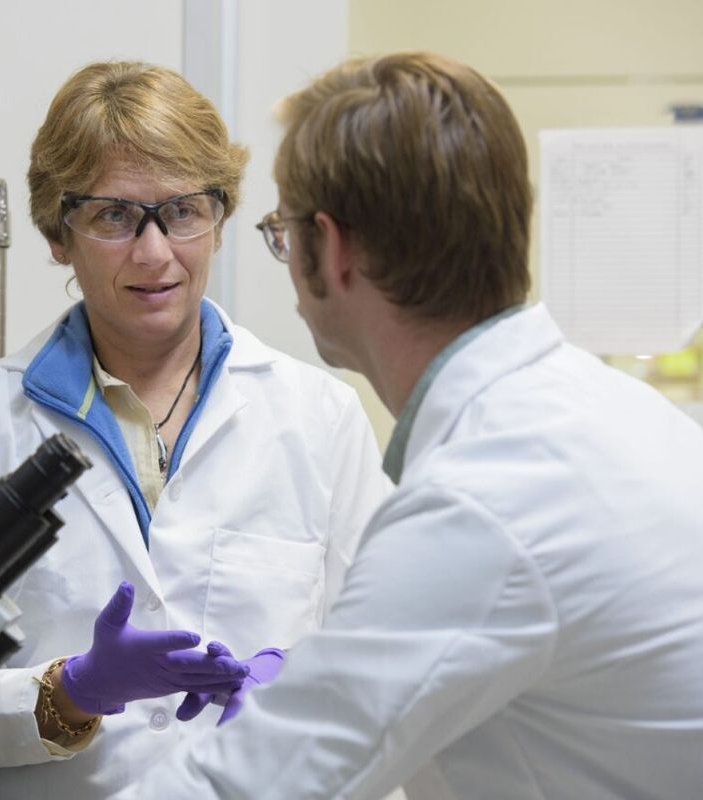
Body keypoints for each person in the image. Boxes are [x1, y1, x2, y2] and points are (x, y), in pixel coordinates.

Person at [138, 51, 703, 800]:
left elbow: (243, 789)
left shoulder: (486, 500)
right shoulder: (622, 414)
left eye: (283, 232)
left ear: (331, 250)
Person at [0, 61, 391, 800]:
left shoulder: (319, 417)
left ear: (221, 220)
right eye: (114, 217)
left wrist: (304, 695)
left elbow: (391, 662)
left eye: (183, 211)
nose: (155, 252)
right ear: (57, 233)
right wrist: (71, 691)